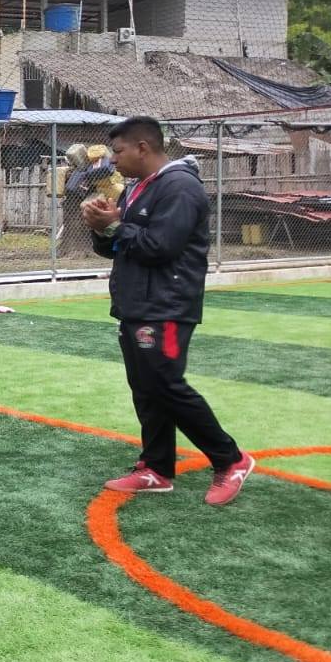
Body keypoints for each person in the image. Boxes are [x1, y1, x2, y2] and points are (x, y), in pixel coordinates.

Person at [83, 116, 254, 506]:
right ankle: (156, 468)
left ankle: (231, 459)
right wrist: (101, 226)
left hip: (167, 306)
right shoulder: (137, 188)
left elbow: (160, 247)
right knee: (146, 388)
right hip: (137, 304)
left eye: (118, 151)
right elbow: (118, 247)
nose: (113, 160)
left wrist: (116, 226)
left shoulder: (179, 186)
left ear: (143, 148)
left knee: (166, 385)